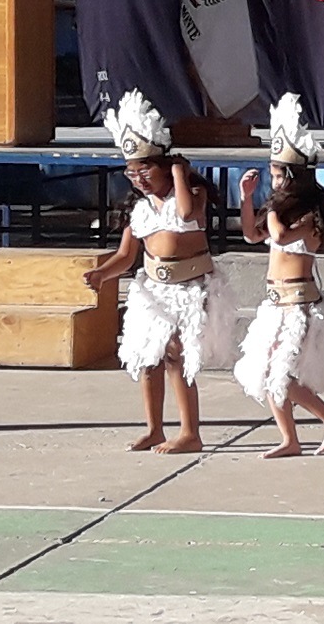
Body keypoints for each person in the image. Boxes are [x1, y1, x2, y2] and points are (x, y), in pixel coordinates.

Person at [82, 89, 238, 453]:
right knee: (148, 357)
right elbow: (126, 255)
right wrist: (103, 274)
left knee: (175, 355)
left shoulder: (193, 195)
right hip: (152, 290)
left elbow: (185, 215)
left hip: (190, 289)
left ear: (166, 165)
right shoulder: (137, 210)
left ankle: (190, 433)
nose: (138, 178)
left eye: (145, 169)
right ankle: (154, 428)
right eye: (131, 172)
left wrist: (181, 173)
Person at [233, 93, 324, 458]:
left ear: (292, 176)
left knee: (281, 374)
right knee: (267, 372)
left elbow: (281, 237)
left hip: (300, 304)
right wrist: (247, 198)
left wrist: (271, 206)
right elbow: (252, 235)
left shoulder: (309, 215)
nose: (274, 180)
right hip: (274, 303)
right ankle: (290, 438)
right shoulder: (278, 212)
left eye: (277, 173)